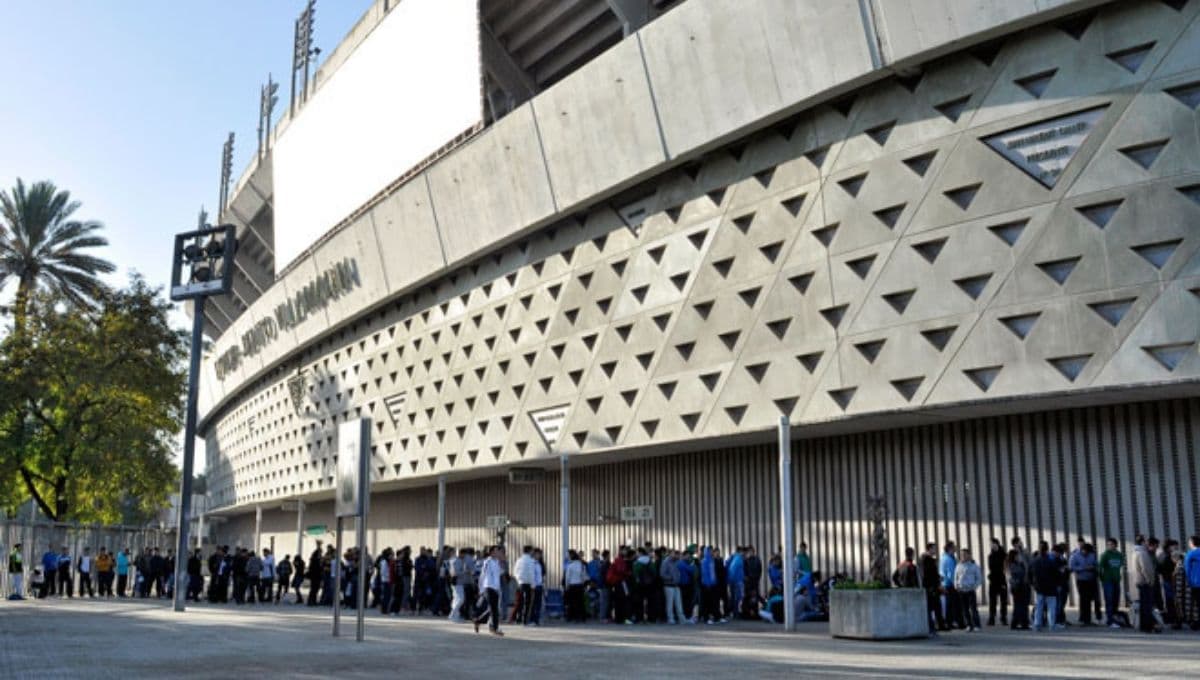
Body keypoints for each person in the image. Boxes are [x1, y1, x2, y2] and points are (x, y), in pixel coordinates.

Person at [1132, 535, 1161, 633]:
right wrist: (1150, 581)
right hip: (1145, 582)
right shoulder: (1142, 553)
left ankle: (1144, 626)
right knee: (1147, 605)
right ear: (1142, 542)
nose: (1147, 543)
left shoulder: (1135, 552)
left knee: (1144, 605)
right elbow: (1146, 569)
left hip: (1139, 581)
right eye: (1145, 541)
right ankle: (1147, 626)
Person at [474, 545, 505, 636]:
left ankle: (478, 621)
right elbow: (483, 575)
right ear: (491, 552)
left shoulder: (496, 562)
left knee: (492, 609)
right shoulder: (488, 562)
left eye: (498, 551)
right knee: (494, 609)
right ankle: (494, 628)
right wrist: (481, 589)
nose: (498, 553)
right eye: (496, 551)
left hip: (496, 588)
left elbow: (500, 573)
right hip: (488, 587)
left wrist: (501, 562)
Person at [1032, 541, 1060, 631]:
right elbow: (1056, 574)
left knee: (1039, 606)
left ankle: (1037, 624)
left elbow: (1029, 573)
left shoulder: (1035, 561)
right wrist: (1057, 584)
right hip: (1050, 587)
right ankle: (1052, 625)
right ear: (1047, 549)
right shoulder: (1050, 561)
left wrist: (1033, 584)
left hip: (1039, 587)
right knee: (1051, 606)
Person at [1069, 541, 1099, 625]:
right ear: (1082, 550)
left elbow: (1096, 564)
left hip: (1090, 580)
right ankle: (1083, 618)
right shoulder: (1075, 556)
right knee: (1083, 599)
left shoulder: (1092, 555)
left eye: (1088, 552)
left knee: (1089, 600)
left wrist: (1093, 567)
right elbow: (1071, 567)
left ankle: (1088, 619)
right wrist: (1083, 568)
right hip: (1081, 580)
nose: (1086, 554)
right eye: (1085, 552)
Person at [954, 548, 982, 631]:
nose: (963, 556)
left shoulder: (974, 566)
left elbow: (979, 578)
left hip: (970, 590)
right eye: (962, 555)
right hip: (961, 590)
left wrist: (974, 586)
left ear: (969, 555)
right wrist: (956, 585)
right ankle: (969, 624)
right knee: (965, 609)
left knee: (973, 608)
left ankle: (976, 624)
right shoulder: (958, 566)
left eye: (965, 554)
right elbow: (956, 577)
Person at [920, 543, 945, 632]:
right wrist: (936, 583)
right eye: (934, 549)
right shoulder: (927, 560)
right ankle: (933, 626)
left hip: (931, 586)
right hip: (931, 587)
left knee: (935, 607)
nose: (935, 551)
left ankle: (939, 625)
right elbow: (928, 575)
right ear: (929, 549)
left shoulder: (927, 560)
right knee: (932, 607)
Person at [1006, 548, 1031, 630]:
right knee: (1019, 606)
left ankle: (1022, 622)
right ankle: (1018, 623)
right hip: (1017, 587)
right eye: (1018, 555)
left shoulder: (1019, 564)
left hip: (1021, 587)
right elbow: (1016, 575)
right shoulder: (1012, 565)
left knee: (1022, 606)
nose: (1019, 557)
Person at [660, 549, 685, 624]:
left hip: (676, 585)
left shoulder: (677, 562)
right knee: (670, 603)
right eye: (675, 554)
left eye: (677, 554)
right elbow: (662, 574)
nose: (676, 555)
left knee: (679, 603)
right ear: (670, 554)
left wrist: (678, 578)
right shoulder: (665, 562)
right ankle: (670, 618)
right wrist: (671, 577)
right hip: (669, 585)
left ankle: (681, 618)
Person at [986, 538, 1007, 626]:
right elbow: (990, 568)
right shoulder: (990, 555)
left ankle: (1003, 618)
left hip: (1001, 579)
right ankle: (992, 617)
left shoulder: (1003, 555)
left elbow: (1005, 568)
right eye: (990, 544)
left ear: (997, 544)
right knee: (992, 601)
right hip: (993, 580)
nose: (991, 545)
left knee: (1003, 600)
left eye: (992, 544)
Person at [565, 549, 588, 622]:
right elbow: (584, 576)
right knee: (580, 602)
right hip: (580, 586)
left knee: (572, 602)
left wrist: (566, 586)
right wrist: (583, 584)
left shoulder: (570, 566)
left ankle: (572, 617)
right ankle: (582, 617)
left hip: (572, 586)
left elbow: (567, 577)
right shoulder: (581, 565)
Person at [939, 542, 958, 628]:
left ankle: (948, 621)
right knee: (952, 604)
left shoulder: (943, 558)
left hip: (944, 583)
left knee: (948, 604)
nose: (955, 549)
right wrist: (956, 584)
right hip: (950, 584)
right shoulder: (950, 559)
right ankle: (951, 621)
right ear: (950, 549)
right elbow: (951, 573)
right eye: (954, 547)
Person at [743, 546, 763, 620]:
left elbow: (760, 570)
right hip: (749, 583)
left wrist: (757, 578)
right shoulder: (746, 560)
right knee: (748, 598)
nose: (751, 553)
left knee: (755, 598)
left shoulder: (757, 560)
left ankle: (755, 613)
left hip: (755, 581)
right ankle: (748, 613)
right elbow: (745, 571)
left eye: (752, 551)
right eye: (750, 551)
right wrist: (747, 579)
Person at [1186, 536, 1200, 631]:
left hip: (1195, 582)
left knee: (1197, 603)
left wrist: (1188, 581)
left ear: (1192, 543)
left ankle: (1197, 622)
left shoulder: (1190, 554)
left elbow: (1187, 569)